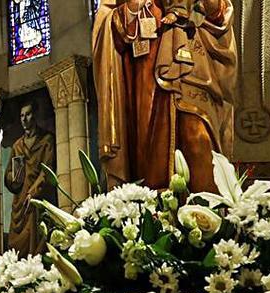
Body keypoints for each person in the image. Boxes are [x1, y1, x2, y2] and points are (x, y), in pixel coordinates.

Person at [93, 0, 237, 192]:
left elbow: (220, 15)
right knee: (152, 155)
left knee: (198, 137)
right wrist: (131, 9)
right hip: (145, 72)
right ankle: (156, 215)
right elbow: (107, 24)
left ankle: (209, 214)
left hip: (193, 61)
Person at [4, 101, 56, 255]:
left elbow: (47, 170)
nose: (24, 119)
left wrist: (33, 192)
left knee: (37, 240)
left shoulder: (46, 140)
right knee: (16, 245)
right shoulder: (17, 145)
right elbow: (8, 174)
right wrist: (12, 178)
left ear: (35, 116)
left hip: (37, 199)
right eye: (21, 116)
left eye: (28, 114)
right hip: (20, 200)